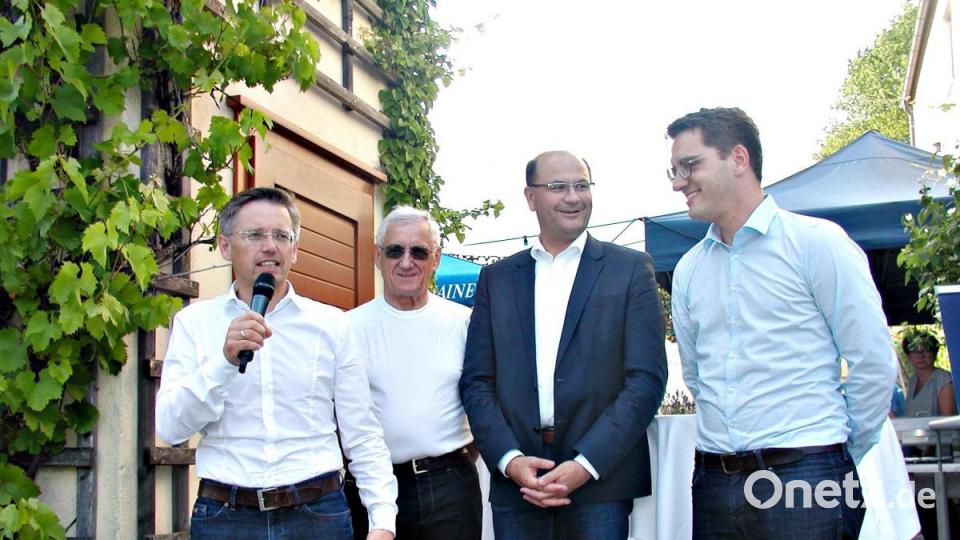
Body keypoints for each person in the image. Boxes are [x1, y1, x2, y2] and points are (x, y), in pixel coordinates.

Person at [666, 107, 897, 539]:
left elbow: (872, 361)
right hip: (714, 481)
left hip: (808, 477)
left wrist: (837, 453)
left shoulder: (817, 243)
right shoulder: (689, 269)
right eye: (674, 171)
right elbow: (697, 376)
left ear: (738, 158)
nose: (679, 182)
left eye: (690, 165)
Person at [156, 187, 397, 540]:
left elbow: (361, 430)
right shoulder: (195, 323)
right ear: (225, 246)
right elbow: (172, 428)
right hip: (226, 517)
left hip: (317, 515)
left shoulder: (330, 324)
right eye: (254, 235)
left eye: (282, 236)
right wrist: (222, 362)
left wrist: (383, 520)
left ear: (295, 249)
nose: (270, 246)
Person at [459, 150, 667, 539]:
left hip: (601, 483)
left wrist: (586, 464)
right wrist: (510, 460)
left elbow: (646, 379)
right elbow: (476, 381)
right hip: (518, 483)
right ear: (530, 197)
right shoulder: (497, 279)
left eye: (582, 185)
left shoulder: (630, 269)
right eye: (558, 187)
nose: (573, 197)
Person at [346, 206, 482, 539]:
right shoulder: (347, 328)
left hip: (450, 486)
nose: (406, 262)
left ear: (435, 258)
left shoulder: (464, 324)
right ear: (378, 257)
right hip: (371, 487)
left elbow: (484, 401)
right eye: (395, 251)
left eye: (418, 251)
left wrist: (456, 458)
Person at [902, 330, 956, 417]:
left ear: (934, 353)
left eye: (926, 350)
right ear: (908, 356)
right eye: (915, 351)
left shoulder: (943, 378)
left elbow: (948, 418)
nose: (920, 356)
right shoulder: (913, 381)